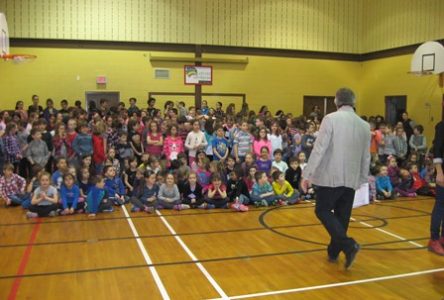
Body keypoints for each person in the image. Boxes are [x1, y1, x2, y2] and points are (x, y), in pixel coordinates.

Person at [301, 88, 370, 270]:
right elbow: (366, 156)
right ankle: (333, 252)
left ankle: (348, 245)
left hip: (330, 176)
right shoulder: (364, 125)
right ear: (353, 102)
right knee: (342, 217)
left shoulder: (330, 119)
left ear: (336, 101)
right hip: (351, 177)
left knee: (322, 210)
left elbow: (319, 149)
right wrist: (362, 178)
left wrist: (307, 174)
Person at [429, 119, 444, 255]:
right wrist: (439, 172)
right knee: (440, 205)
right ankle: (434, 239)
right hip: (443, 172)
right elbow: (438, 150)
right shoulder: (441, 126)